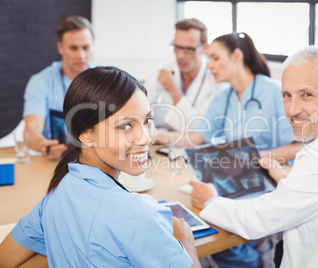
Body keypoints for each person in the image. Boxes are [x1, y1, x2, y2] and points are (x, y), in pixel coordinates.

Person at [190, 46, 318, 267]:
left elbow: (255, 221)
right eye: (287, 95)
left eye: (306, 95)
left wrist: (210, 201)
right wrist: (285, 179)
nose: (291, 109)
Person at [0, 66, 201, 268]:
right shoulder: (135, 213)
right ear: (86, 135)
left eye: (148, 120)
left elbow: (6, 259)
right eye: (125, 126)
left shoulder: (57, 192)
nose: (146, 137)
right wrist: (186, 244)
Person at [159, 32, 302, 268]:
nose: (210, 66)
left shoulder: (275, 91)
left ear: (237, 56)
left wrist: (255, 158)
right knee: (194, 214)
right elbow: (195, 138)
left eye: (215, 58)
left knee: (215, 230)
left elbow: (299, 146)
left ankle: (255, 258)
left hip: (265, 184)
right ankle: (243, 255)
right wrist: (152, 135)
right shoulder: (223, 97)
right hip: (233, 181)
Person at [23, 15, 96, 160]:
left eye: (86, 47)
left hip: (99, 160)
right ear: (60, 48)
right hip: (58, 161)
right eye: (73, 48)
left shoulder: (107, 78)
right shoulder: (40, 82)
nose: (81, 55)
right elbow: (31, 131)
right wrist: (44, 145)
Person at [145, 18, 227, 132]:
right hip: (158, 144)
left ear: (205, 48)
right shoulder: (162, 72)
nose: (180, 55)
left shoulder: (216, 80)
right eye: (177, 47)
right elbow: (141, 114)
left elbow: (201, 130)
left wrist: (174, 91)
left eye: (188, 49)